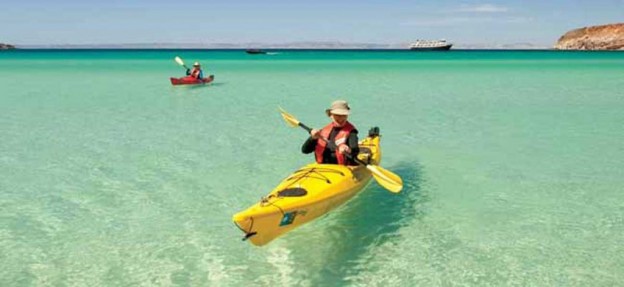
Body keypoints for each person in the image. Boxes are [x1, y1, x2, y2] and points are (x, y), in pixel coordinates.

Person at [302, 100, 359, 165]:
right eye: (337, 115)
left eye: (344, 115)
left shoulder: (351, 132)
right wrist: (312, 138)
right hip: (322, 167)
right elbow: (305, 150)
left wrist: (348, 149)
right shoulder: (323, 131)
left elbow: (355, 151)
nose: (341, 118)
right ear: (331, 115)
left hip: (342, 167)